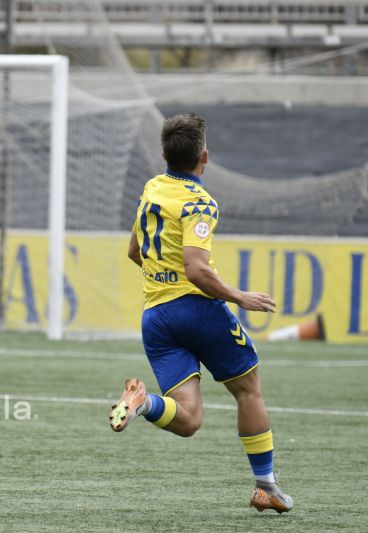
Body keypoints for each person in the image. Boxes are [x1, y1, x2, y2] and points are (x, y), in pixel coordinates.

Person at [109, 113, 294, 514]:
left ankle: (143, 403)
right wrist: (238, 296)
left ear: (163, 154)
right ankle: (266, 487)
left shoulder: (152, 188)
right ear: (204, 158)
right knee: (248, 390)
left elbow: (134, 251)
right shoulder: (200, 203)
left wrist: (165, 280)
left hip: (156, 317)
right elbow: (196, 268)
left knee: (189, 419)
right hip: (197, 310)